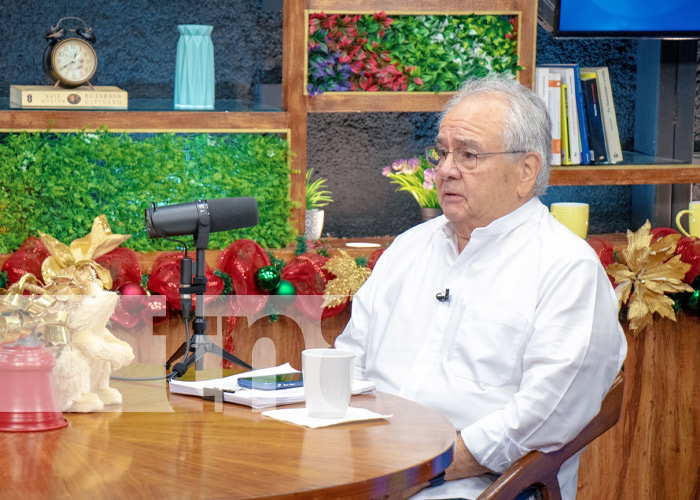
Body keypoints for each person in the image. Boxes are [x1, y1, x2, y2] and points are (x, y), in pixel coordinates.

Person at [333, 76, 627, 500]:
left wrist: (420, 470)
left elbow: (544, 415)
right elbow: (350, 361)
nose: (446, 169)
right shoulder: (408, 247)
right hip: (370, 468)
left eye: (468, 154)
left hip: (480, 485)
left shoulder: (567, 269)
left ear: (526, 171)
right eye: (443, 152)